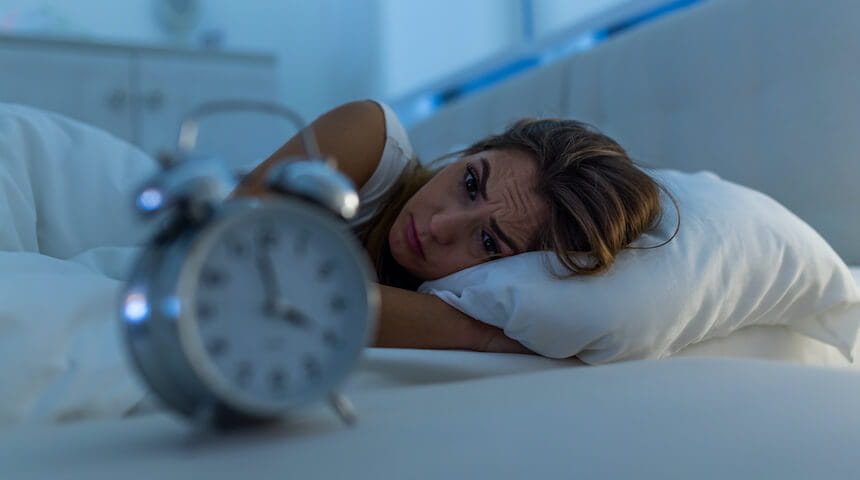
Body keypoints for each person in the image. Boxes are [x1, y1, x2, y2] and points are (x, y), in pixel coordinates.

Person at [231, 100, 669, 355]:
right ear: (473, 151)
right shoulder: (369, 139)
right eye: (470, 182)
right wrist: (471, 332)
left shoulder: (492, 302)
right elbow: (222, 252)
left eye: (487, 241)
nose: (440, 225)